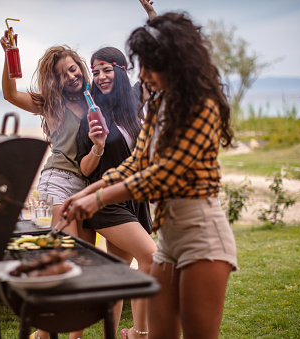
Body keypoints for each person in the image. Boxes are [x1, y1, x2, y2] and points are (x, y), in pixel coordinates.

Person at [61, 12, 239, 339]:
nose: (141, 74)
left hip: (202, 234)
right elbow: (136, 163)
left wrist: (98, 198)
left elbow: (163, 174)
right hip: (169, 235)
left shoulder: (202, 106)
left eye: (148, 64)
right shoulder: (158, 106)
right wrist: (83, 194)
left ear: (175, 61)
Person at [0, 38, 90, 339]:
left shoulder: (94, 101)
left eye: (73, 69)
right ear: (56, 80)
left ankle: (48, 334)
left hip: (84, 187)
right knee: (67, 261)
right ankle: (43, 333)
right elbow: (10, 94)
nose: (71, 76)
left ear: (82, 67)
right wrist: (9, 56)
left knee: (75, 264)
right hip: (57, 182)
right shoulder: (52, 103)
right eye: (63, 74)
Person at [75, 46, 157, 338]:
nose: (99, 76)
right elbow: (85, 170)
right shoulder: (92, 113)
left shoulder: (134, 101)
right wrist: (97, 145)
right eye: (95, 72)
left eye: (106, 69)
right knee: (152, 256)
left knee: (118, 276)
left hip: (135, 199)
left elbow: (158, 61)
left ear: (122, 70)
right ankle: (140, 333)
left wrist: (152, 15)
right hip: (106, 202)